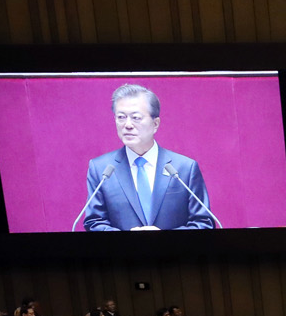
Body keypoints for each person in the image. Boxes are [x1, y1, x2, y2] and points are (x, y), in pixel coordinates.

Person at [82, 83, 213, 231]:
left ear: (155, 124)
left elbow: (204, 223)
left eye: (136, 117)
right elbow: (94, 222)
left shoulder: (184, 168)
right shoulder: (101, 169)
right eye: (121, 117)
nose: (128, 125)